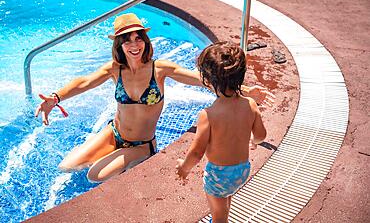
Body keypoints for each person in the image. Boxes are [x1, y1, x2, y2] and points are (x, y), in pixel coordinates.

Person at [35, 13, 273, 183]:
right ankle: (110, 153)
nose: (134, 44)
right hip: (114, 133)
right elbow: (84, 82)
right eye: (127, 40)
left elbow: (202, 79)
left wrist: (245, 90)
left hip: (142, 145)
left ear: (145, 41)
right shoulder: (114, 70)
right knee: (66, 167)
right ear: (120, 44)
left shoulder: (159, 69)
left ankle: (132, 160)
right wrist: (56, 98)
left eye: (138, 38)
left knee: (94, 176)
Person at [175, 41, 267, 223]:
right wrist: (253, 142)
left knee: (218, 215)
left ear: (208, 81)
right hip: (242, 172)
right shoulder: (250, 104)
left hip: (219, 175)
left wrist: (183, 168)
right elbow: (260, 136)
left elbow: (196, 152)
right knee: (226, 198)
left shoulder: (208, 115)